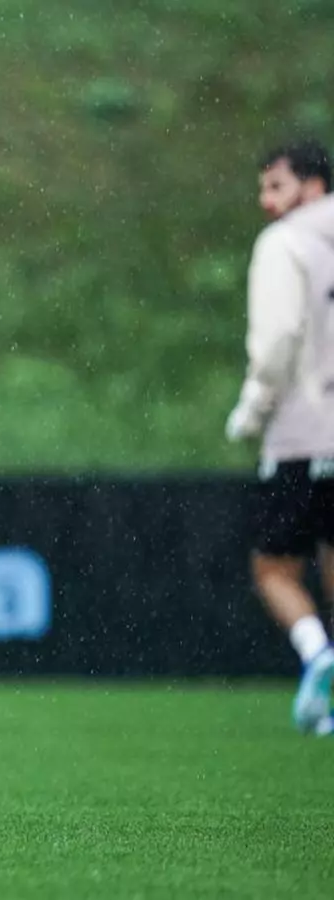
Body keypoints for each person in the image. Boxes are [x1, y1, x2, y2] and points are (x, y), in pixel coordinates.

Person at [226, 138, 334, 736]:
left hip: (304, 432)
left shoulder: (283, 244)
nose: (266, 201)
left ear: (313, 186)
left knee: (274, 568)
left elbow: (276, 342)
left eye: (277, 186)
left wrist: (252, 411)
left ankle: (317, 655)